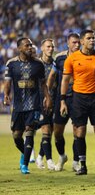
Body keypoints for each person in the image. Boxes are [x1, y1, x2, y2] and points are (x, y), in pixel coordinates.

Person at [60, 29, 95, 175]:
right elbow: (65, 80)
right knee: (80, 132)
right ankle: (82, 165)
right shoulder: (72, 58)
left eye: (93, 38)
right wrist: (63, 100)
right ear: (82, 41)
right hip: (79, 98)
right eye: (89, 38)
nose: (92, 40)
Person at [3, 37, 52, 174]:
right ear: (19, 48)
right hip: (18, 106)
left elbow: (43, 84)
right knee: (17, 136)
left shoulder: (38, 64)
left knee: (29, 131)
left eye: (31, 45)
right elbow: (8, 82)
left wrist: (48, 98)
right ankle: (25, 153)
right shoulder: (11, 64)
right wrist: (6, 95)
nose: (30, 47)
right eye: (27, 45)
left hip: (34, 104)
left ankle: (24, 165)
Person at [47, 32, 81, 172]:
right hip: (61, 98)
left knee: (77, 131)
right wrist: (48, 95)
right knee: (57, 132)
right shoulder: (60, 57)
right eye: (74, 42)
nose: (77, 45)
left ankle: (75, 161)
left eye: (78, 42)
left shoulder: (84, 57)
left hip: (78, 98)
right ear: (68, 43)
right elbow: (52, 76)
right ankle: (62, 156)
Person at [35, 38, 56, 170]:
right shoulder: (36, 64)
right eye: (48, 47)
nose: (50, 49)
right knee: (46, 130)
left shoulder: (56, 64)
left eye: (52, 47)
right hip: (39, 102)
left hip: (53, 101)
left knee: (50, 132)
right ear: (42, 48)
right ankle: (49, 161)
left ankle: (39, 157)